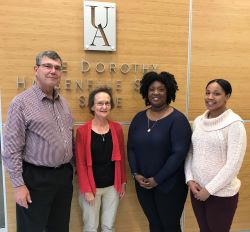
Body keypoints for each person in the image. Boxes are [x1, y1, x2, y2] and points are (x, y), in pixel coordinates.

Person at [2, 51, 74, 232]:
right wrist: (18, 185)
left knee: (60, 228)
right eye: (48, 66)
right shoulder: (21, 103)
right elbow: (11, 149)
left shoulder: (63, 103)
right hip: (35, 179)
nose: (53, 71)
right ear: (36, 69)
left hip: (63, 177)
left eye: (57, 68)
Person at [127, 71, 192, 232]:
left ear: (168, 91)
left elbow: (178, 154)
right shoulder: (139, 118)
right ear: (146, 92)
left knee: (170, 226)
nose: (156, 92)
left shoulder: (178, 120)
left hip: (170, 185)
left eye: (161, 89)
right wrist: (136, 174)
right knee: (154, 225)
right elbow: (131, 148)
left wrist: (158, 179)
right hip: (143, 184)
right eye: (152, 89)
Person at [185, 79, 247, 232]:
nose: (210, 97)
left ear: (227, 96)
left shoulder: (235, 124)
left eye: (216, 93)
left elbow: (233, 165)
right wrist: (190, 180)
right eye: (207, 93)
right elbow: (191, 152)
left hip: (221, 194)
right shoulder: (199, 121)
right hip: (197, 191)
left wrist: (209, 190)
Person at [76, 86, 126, 232]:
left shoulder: (116, 128)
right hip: (91, 187)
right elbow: (80, 163)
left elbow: (121, 158)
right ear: (92, 106)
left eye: (107, 103)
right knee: (91, 227)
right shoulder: (82, 131)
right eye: (100, 103)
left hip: (112, 186)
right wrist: (86, 190)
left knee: (109, 227)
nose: (104, 107)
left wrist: (122, 181)